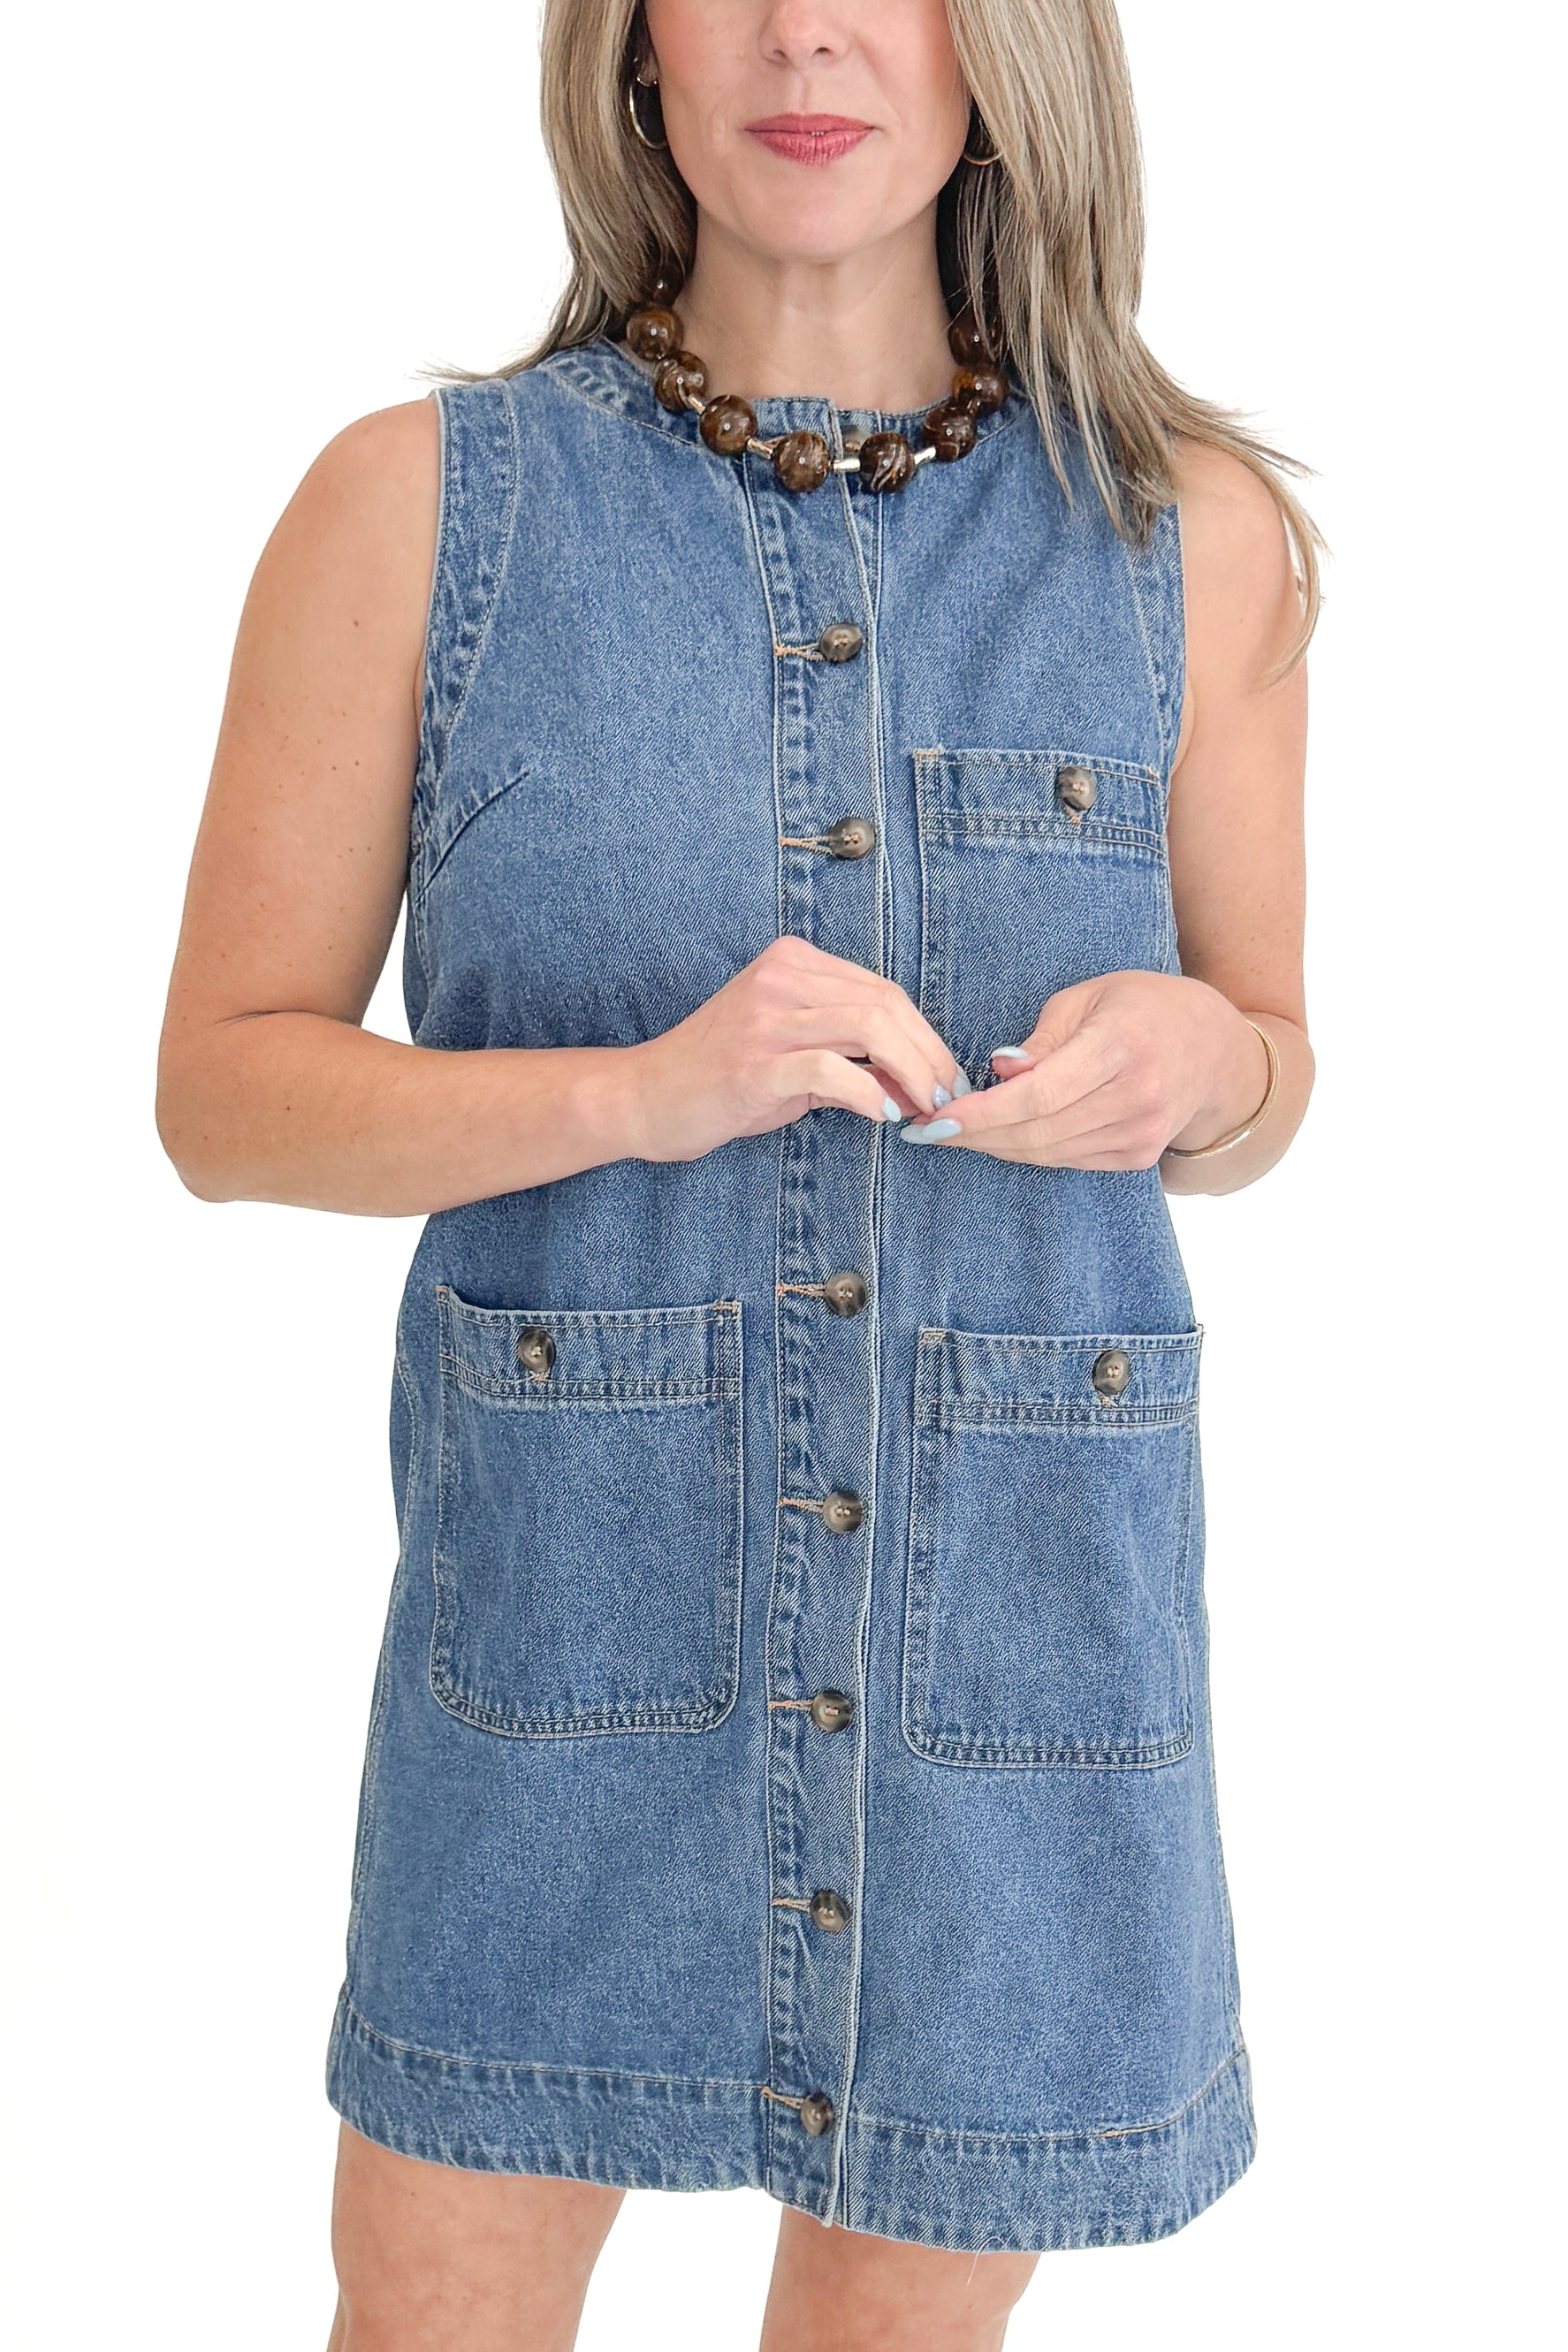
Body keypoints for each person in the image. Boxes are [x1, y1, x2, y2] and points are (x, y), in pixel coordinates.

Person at [156, 2, 1319, 2344]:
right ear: (633, 50)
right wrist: (632, 1094)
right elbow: (223, 1095)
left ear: (1004, 52)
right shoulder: (420, 508)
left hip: (1015, 1657)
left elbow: (1269, 1083)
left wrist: (1204, 1059)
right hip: (564, 1650)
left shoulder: (1187, 535)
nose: (807, 31)